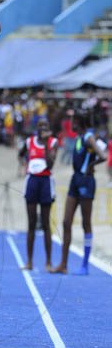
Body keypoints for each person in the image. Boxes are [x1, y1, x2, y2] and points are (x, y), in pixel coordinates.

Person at [50, 111, 107, 275]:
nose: (70, 123)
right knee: (66, 222)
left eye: (73, 121)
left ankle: (85, 265)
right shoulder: (79, 137)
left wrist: (92, 165)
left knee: (85, 223)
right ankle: (63, 264)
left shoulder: (88, 137)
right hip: (75, 180)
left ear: (79, 122)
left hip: (86, 181)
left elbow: (104, 155)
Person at [18, 118, 58, 271]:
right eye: (40, 126)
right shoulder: (29, 142)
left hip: (46, 181)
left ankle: (48, 262)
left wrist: (47, 144)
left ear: (49, 129)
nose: (42, 129)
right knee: (31, 223)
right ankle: (29, 262)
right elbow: (21, 154)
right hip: (32, 181)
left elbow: (51, 163)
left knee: (46, 224)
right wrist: (24, 164)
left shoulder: (53, 143)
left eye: (45, 126)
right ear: (37, 128)